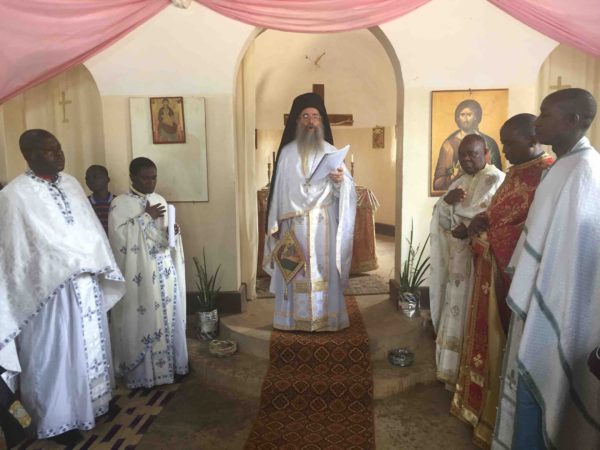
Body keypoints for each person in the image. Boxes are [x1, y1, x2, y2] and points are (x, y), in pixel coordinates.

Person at [0, 129, 125, 446]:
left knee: (90, 347)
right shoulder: (14, 195)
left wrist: (92, 260)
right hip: (48, 294)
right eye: (49, 150)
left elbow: (90, 231)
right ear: (29, 156)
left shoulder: (71, 184)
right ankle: (57, 420)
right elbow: (15, 252)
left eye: (59, 148)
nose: (59, 154)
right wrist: (61, 262)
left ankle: (96, 403)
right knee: (56, 355)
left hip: (86, 285)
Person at [493, 88, 600, 450]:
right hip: (544, 292)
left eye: (546, 114)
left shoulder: (584, 171)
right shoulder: (563, 166)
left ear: (572, 120)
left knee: (545, 382)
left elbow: (575, 254)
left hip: (560, 302)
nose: (537, 122)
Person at [450, 114, 554, 448]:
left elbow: (531, 230)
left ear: (532, 138)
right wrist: (481, 221)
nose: (503, 150)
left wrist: (486, 235)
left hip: (506, 273)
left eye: (509, 143)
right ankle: (478, 408)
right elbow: (497, 212)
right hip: (488, 268)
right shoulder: (517, 171)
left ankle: (498, 419)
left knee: (500, 342)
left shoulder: (548, 173)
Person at [264, 92, 356, 331]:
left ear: (321, 121)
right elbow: (278, 192)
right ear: (297, 121)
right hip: (294, 226)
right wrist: (275, 224)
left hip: (324, 225)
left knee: (324, 271)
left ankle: (327, 318)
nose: (310, 121)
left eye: (315, 116)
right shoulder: (287, 153)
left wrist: (340, 181)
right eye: (305, 116)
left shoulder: (331, 151)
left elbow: (348, 189)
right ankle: (292, 320)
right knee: (295, 271)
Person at [429, 134, 505, 388]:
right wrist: (447, 202)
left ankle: (468, 380)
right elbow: (441, 219)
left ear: (486, 154)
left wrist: (469, 228)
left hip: (478, 263)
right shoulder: (458, 182)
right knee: (454, 308)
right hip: (457, 260)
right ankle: (451, 373)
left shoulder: (497, 179)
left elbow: (494, 217)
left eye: (472, 154)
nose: (466, 159)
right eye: (462, 155)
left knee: (471, 314)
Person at [108, 157, 188, 388]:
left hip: (164, 270)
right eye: (145, 178)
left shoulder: (159, 200)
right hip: (140, 273)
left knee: (168, 315)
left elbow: (164, 238)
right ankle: (144, 374)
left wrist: (174, 232)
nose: (151, 182)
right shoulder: (120, 204)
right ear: (132, 177)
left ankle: (172, 366)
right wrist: (146, 217)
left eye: (154, 177)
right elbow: (119, 240)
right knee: (145, 317)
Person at [433, 99, 503, 191]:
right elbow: (437, 183)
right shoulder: (448, 145)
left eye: (469, 115)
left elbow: (498, 178)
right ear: (457, 118)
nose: (465, 119)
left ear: (476, 117)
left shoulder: (489, 143)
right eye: (462, 115)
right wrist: (453, 176)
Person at [85, 164, 114, 234]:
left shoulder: (118, 202)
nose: (91, 180)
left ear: (107, 179)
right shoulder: (84, 203)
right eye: (88, 178)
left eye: (96, 177)